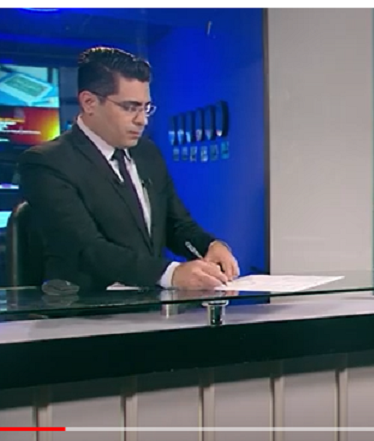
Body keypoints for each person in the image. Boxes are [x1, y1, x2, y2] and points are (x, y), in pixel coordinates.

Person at [18, 46, 240, 291]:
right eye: (130, 107)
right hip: (85, 306)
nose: (142, 120)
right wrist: (170, 274)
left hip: (149, 305)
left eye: (146, 108)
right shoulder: (46, 162)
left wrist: (210, 246)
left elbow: (176, 223)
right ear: (89, 102)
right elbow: (86, 248)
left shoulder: (147, 153)